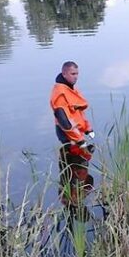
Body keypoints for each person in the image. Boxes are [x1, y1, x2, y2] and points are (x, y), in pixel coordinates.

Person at [50, 61, 94, 212]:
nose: (76, 77)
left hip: (77, 135)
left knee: (81, 163)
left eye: (77, 74)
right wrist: (80, 141)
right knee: (75, 166)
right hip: (68, 135)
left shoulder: (70, 89)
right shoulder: (59, 93)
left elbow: (78, 113)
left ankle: (78, 166)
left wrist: (87, 129)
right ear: (64, 74)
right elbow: (65, 123)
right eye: (73, 74)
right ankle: (75, 166)